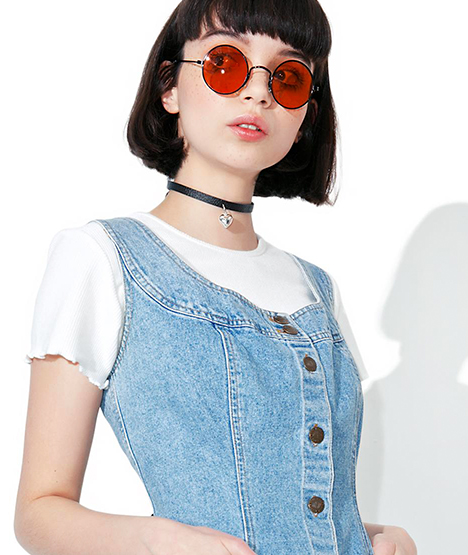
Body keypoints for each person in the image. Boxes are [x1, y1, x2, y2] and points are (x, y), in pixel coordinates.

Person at [14, 0, 417, 554]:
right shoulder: (102, 257)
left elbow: (300, 506)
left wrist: (373, 536)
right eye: (225, 63)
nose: (258, 93)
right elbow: (38, 513)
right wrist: (159, 541)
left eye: (289, 78)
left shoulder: (316, 288)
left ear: (306, 115)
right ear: (169, 88)